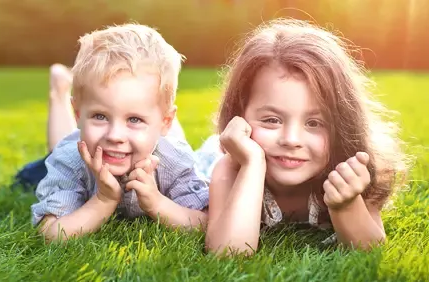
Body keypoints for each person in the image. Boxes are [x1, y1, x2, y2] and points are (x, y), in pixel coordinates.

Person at [202, 18, 410, 256]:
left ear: (342, 126)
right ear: (238, 115)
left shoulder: (355, 171)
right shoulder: (230, 171)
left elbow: (370, 252)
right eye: (272, 120)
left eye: (314, 123)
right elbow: (228, 254)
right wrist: (252, 164)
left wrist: (346, 204)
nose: (291, 140)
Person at [24, 23, 210, 242]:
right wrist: (103, 200)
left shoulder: (174, 161)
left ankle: (153, 115)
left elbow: (205, 222)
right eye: (100, 116)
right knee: (59, 146)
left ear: (165, 121)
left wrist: (158, 202)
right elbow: (51, 234)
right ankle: (59, 91)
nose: (115, 135)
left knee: (172, 144)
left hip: (162, 145)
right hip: (79, 147)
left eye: (134, 119)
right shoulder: (68, 161)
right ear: (78, 114)